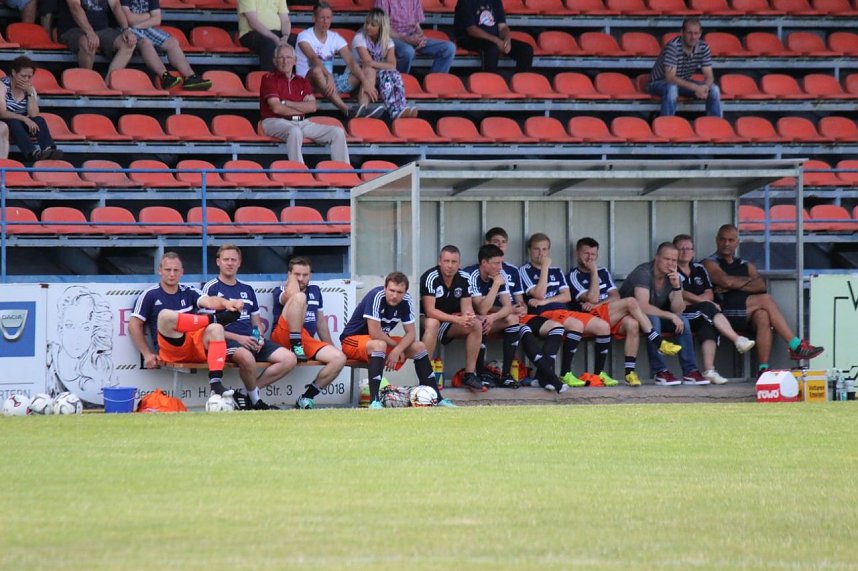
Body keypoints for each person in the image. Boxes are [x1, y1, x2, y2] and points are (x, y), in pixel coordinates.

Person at [703, 224, 823, 377]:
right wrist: (745, 282)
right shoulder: (709, 262)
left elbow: (760, 285)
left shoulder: (745, 264)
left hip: (745, 312)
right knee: (766, 300)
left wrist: (734, 284)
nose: (726, 243)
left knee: (763, 315)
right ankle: (795, 345)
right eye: (722, 239)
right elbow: (726, 281)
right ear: (717, 240)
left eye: (730, 240)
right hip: (723, 313)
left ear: (737, 242)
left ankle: (763, 369)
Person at [568, 237, 683, 387]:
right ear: (577, 254)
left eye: (593, 254)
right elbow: (592, 297)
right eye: (586, 253)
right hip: (589, 320)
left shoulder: (604, 272)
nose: (590, 258)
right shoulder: (573, 275)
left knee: (632, 323)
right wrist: (594, 271)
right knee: (631, 302)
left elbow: (615, 296)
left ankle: (629, 373)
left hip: (606, 313)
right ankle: (658, 342)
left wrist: (598, 305)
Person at [128, 252, 245, 397]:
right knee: (165, 315)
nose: (172, 274)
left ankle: (216, 383)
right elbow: (134, 325)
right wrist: (147, 354)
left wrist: (228, 303)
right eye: (168, 270)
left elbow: (210, 301)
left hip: (194, 347)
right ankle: (215, 319)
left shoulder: (188, 291)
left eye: (176, 270)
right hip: (171, 349)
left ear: (182, 272)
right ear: (160, 270)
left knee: (217, 328)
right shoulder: (150, 294)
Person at [340, 271, 455, 408]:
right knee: (379, 345)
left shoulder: (406, 301)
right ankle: (374, 401)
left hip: (379, 343)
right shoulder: (376, 295)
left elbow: (411, 333)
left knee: (419, 347)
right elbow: (375, 333)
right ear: (385, 288)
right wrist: (396, 348)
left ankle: (437, 398)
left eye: (399, 292)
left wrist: (398, 349)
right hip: (352, 341)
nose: (394, 296)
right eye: (391, 290)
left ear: (405, 292)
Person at [201, 245, 296, 410]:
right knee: (247, 358)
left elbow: (256, 321)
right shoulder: (211, 287)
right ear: (218, 262)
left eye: (233, 260)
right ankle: (256, 402)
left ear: (239, 263)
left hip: (250, 339)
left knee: (289, 359)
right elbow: (207, 326)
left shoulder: (247, 289)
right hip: (226, 340)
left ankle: (245, 393)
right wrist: (239, 338)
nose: (229, 263)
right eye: (226, 259)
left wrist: (258, 338)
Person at [519, 233, 617, 388]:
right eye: (537, 249)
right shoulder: (525, 270)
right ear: (529, 251)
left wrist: (545, 300)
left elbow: (567, 296)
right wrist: (544, 268)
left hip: (563, 311)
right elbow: (539, 293)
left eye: (545, 249)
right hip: (544, 315)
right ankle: (566, 373)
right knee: (576, 325)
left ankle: (599, 374)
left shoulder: (557, 270)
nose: (541, 254)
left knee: (603, 327)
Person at [464, 244, 561, 390]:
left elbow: (508, 307)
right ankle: (480, 373)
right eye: (496, 263)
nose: (500, 267)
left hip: (487, 318)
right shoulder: (471, 274)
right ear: (484, 263)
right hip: (465, 319)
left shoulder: (499, 275)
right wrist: (496, 285)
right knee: (480, 321)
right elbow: (482, 309)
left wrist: (493, 317)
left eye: (501, 263)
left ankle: (506, 375)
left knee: (513, 319)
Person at [673, 234, 756, 385]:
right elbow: (681, 294)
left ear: (693, 251)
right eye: (681, 249)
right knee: (707, 308)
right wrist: (703, 301)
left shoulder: (699, 269)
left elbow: (709, 293)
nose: (685, 252)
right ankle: (737, 339)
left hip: (700, 313)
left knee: (708, 324)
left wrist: (700, 301)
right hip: (680, 314)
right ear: (674, 251)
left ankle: (709, 370)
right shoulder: (672, 270)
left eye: (689, 248)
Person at [619, 243, 706, 386]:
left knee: (683, 321)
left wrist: (676, 287)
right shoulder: (643, 272)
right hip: (629, 317)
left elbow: (678, 310)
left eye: (674, 260)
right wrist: (671, 316)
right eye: (667, 259)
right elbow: (642, 306)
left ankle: (690, 371)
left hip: (653, 316)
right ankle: (660, 371)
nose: (670, 263)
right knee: (654, 320)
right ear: (657, 258)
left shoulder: (673, 277)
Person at [271, 256, 348, 409]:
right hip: (282, 336)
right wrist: (292, 281)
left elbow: (320, 322)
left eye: (305, 275)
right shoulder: (281, 290)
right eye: (296, 274)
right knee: (300, 297)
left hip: (305, 339)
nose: (301, 278)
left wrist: (331, 346)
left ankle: (307, 397)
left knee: (339, 358)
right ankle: (295, 343)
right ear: (289, 274)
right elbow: (291, 295)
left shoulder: (315, 291)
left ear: (310, 275)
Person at [260, 44, 350, 165]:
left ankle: (343, 171)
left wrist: (287, 103)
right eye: (281, 58)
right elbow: (276, 108)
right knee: (295, 131)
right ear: (275, 61)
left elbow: (312, 107)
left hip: (301, 122)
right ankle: (299, 171)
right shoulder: (268, 78)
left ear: (295, 61)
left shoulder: (302, 81)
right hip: (274, 121)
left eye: (288, 57)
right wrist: (301, 107)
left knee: (337, 132)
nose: (285, 61)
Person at [296, 1, 380, 118]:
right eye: (322, 17)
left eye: (328, 18)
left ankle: (362, 110)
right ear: (314, 18)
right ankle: (346, 110)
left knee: (369, 71)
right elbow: (313, 58)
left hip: (329, 84)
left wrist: (365, 82)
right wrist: (328, 75)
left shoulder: (335, 37)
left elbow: (351, 62)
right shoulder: (304, 36)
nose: (325, 21)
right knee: (317, 70)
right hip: (307, 83)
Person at [419, 245, 484, 392]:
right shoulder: (430, 277)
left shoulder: (463, 277)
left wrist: (469, 317)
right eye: (446, 261)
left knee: (476, 325)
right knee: (433, 323)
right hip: (426, 319)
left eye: (454, 262)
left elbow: (467, 307)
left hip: (450, 320)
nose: (450, 266)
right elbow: (430, 311)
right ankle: (424, 375)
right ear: (439, 262)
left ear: (459, 264)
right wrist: (457, 320)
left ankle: (469, 375)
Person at [120, 0, 212, 90]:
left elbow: (157, 19)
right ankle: (165, 76)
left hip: (145, 27)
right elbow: (129, 19)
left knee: (172, 42)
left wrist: (137, 24)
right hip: (128, 30)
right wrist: (148, 15)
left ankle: (190, 76)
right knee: (146, 42)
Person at [646, 17, 721, 118]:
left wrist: (705, 88)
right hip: (658, 83)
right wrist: (696, 88)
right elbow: (670, 78)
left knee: (714, 89)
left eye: (696, 33)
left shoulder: (703, 47)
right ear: (682, 32)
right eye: (689, 33)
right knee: (672, 88)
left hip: (683, 82)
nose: (693, 37)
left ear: (700, 33)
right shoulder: (673, 47)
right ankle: (666, 124)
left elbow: (709, 75)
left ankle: (715, 124)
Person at [352, 9, 417, 120]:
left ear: (381, 28)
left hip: (377, 79)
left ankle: (401, 108)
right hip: (359, 77)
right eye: (367, 23)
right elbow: (367, 64)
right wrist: (380, 64)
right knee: (385, 73)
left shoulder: (388, 42)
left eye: (373, 25)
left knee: (394, 73)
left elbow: (392, 65)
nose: (368, 27)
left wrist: (373, 63)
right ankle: (395, 111)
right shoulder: (360, 38)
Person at [0, 57, 61, 162]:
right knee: (14, 122)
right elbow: (2, 113)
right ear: (14, 72)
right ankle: (32, 153)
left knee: (39, 120)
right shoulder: (3, 85)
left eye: (29, 77)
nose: (26, 79)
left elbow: (33, 114)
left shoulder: (30, 88)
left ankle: (48, 149)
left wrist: (30, 94)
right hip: (6, 122)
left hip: (23, 124)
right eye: (23, 76)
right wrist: (24, 119)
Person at [56, 0, 137, 74]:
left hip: (102, 29)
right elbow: (75, 7)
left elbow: (116, 6)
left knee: (128, 44)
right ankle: (87, 82)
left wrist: (125, 29)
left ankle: (108, 82)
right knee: (88, 43)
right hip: (74, 28)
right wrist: (90, 32)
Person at [374, 0, 454, 74]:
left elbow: (416, 24)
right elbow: (382, 29)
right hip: (392, 37)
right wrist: (406, 39)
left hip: (411, 35)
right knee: (408, 51)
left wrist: (420, 35)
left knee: (449, 48)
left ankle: (434, 82)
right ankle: (400, 80)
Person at [453, 0, 532, 73]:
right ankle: (490, 81)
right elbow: (472, 30)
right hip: (470, 38)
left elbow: (503, 27)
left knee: (526, 50)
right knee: (492, 48)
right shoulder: (465, 2)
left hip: (494, 38)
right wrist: (496, 41)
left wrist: (507, 40)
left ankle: (520, 81)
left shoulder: (495, 1)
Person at [237, 0, 291, 71]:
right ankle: (269, 76)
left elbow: (285, 20)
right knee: (269, 43)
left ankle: (296, 77)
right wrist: (275, 38)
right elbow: (253, 22)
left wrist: (285, 37)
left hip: (277, 33)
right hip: (252, 33)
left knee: (297, 41)